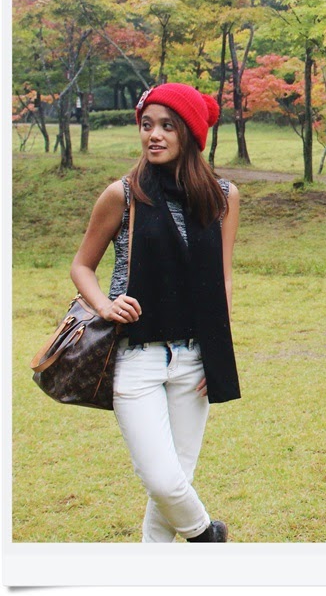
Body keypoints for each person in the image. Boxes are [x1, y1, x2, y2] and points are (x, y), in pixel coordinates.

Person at [70, 83, 240, 543]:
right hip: (135, 357)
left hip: (193, 360)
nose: (154, 136)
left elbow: (222, 280)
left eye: (167, 126)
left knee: (168, 496)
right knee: (164, 482)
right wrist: (104, 305)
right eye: (147, 125)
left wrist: (217, 357)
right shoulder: (122, 195)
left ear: (189, 132)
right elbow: (82, 265)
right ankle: (207, 535)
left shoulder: (223, 196)